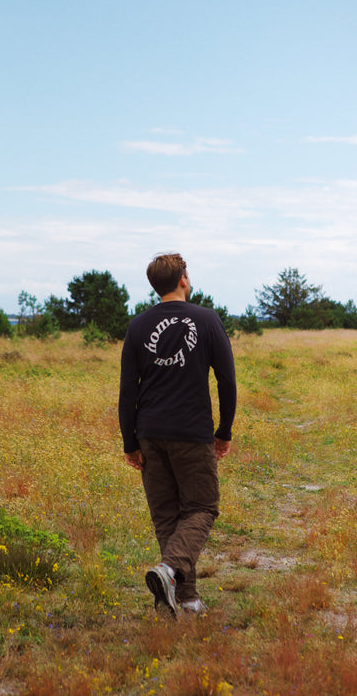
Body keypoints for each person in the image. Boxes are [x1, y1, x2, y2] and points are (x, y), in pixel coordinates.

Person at [118, 253, 236, 616]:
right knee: (201, 507)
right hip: (191, 431)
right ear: (183, 279)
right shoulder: (207, 319)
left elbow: (127, 391)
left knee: (168, 516)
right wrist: (224, 430)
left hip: (150, 433)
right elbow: (227, 380)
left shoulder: (138, 326)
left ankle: (186, 599)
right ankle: (170, 572)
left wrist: (130, 441)